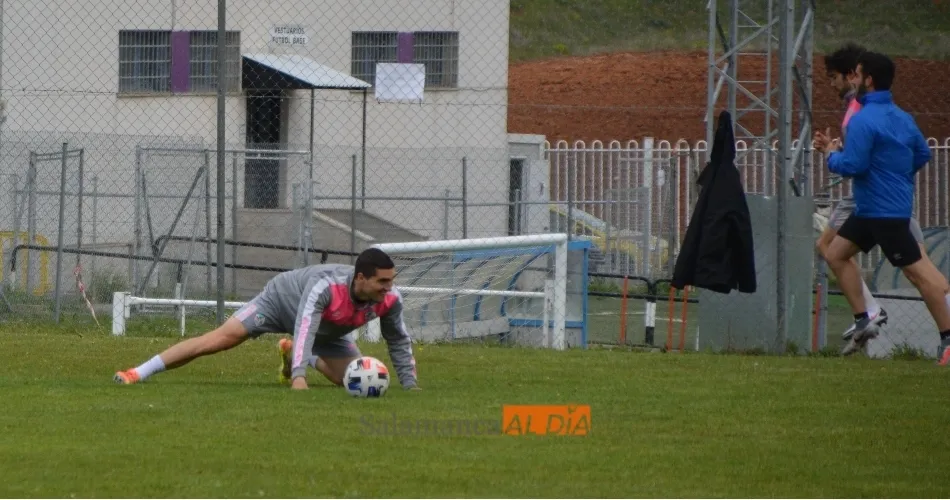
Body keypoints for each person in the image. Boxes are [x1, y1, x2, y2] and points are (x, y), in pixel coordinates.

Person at [113, 248, 421, 390]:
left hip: (325, 332)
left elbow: (398, 339)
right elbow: (305, 326)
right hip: (279, 303)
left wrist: (410, 385)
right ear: (361, 278)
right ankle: (138, 372)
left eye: (391, 280)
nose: (389, 287)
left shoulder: (390, 299)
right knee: (218, 341)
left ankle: (297, 353)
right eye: (382, 281)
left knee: (350, 380)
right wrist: (298, 378)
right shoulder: (326, 287)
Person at [814, 50, 950, 364]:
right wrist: (895, 176)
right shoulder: (902, 117)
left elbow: (853, 165)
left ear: (869, 80)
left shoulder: (863, 120)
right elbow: (922, 154)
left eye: (856, 74)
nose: (853, 80)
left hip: (884, 214)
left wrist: (830, 154)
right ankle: (865, 317)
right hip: (870, 209)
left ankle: (948, 340)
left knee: (921, 276)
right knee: (834, 252)